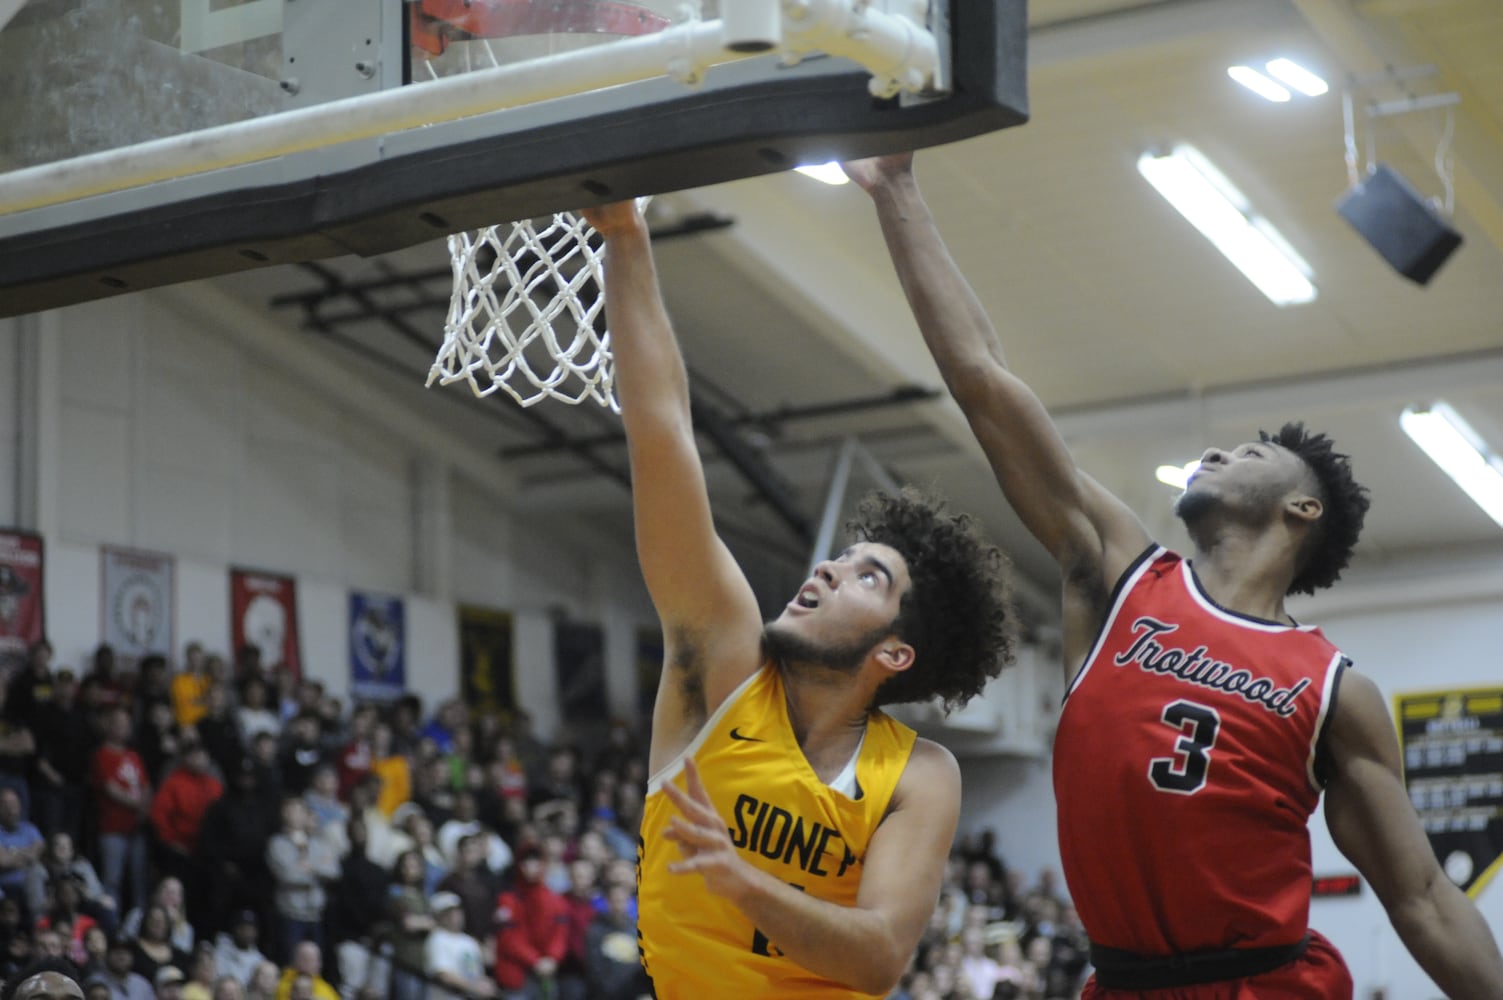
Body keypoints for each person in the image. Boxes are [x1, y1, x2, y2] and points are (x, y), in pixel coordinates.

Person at [844, 151, 1503, 998]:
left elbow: (1421, 898)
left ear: (1301, 512)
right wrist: (895, 190)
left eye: (1252, 453)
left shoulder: (1333, 689)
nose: (1219, 451)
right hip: (1119, 982)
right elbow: (980, 378)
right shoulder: (1119, 574)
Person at [580, 201, 1015, 999]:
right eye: (840, 558)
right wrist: (626, 241)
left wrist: (742, 882)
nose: (825, 570)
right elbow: (661, 430)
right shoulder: (722, 665)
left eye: (866, 577)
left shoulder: (920, 775)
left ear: (894, 651)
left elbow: (880, 955)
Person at [423, 892, 494, 1000]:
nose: (454, 916)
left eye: (457, 911)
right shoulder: (437, 938)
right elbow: (443, 975)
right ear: (438, 916)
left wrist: (485, 984)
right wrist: (474, 988)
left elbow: (478, 969)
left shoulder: (468, 940)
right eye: (448, 913)